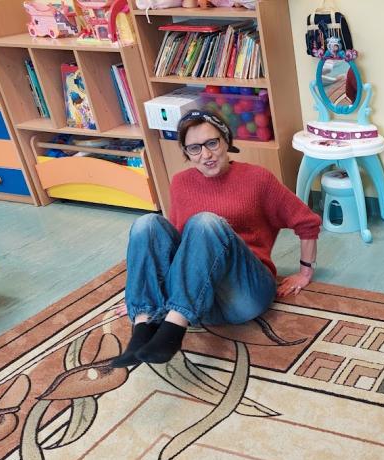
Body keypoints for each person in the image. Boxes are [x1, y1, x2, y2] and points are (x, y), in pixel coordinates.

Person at [111, 110, 320, 368]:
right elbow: (173, 247)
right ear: (186, 153)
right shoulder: (180, 183)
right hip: (201, 301)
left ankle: (173, 328)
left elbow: (307, 221)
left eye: (212, 143)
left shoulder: (257, 178)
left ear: (226, 140)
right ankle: (142, 327)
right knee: (147, 224)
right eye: (195, 148)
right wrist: (147, 291)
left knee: (205, 222)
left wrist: (305, 273)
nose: (206, 155)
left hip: (244, 295)